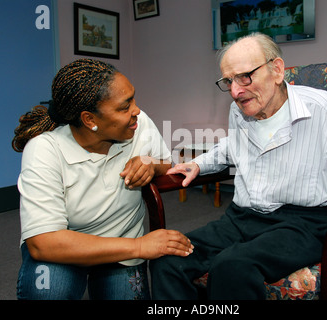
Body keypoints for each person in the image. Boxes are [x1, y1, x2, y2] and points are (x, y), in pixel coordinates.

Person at [149, 33, 327, 299]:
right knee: (168, 258)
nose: (236, 91)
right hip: (241, 217)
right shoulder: (240, 110)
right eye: (229, 81)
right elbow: (232, 146)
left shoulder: (319, 108)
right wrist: (199, 164)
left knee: (232, 267)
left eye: (245, 76)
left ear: (277, 70)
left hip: (302, 223)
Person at [12, 58, 193, 300]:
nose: (136, 110)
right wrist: (140, 247)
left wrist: (151, 164)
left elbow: (166, 164)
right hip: (65, 249)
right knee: (48, 293)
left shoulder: (137, 124)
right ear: (90, 120)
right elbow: (43, 243)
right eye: (124, 106)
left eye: (133, 99)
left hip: (122, 242)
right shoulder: (45, 149)